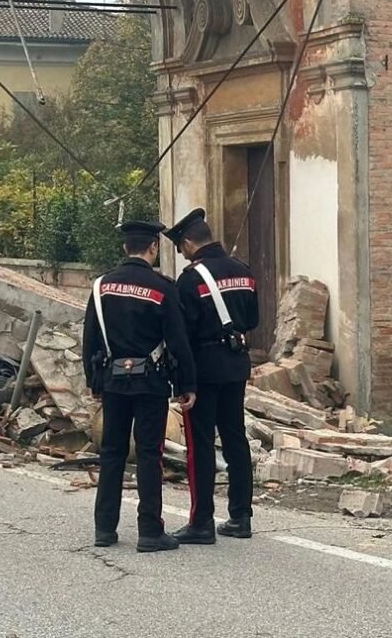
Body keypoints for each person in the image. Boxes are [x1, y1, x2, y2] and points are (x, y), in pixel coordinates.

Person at [82, 219, 197, 553]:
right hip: (151, 382)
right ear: (154, 248)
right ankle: (149, 531)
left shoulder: (101, 286)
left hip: (113, 381)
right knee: (149, 453)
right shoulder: (163, 287)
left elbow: (90, 338)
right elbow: (178, 341)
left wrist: (94, 381)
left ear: (124, 248)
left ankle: (104, 529)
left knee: (112, 453)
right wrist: (186, 384)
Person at [163, 208, 259, 544]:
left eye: (181, 248)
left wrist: (182, 381)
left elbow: (182, 336)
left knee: (200, 445)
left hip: (204, 369)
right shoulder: (243, 271)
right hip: (236, 365)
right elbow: (253, 319)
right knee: (235, 439)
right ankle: (241, 516)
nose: (182, 254)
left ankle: (201, 521)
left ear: (189, 243)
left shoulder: (190, 279)